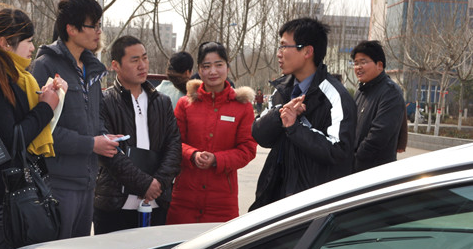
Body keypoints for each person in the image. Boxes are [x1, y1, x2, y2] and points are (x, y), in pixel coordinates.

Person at [0, 2, 65, 249]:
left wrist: (50, 99)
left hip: (23, 191)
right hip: (4, 197)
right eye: (28, 41)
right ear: (5, 43)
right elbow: (12, 139)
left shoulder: (18, 76)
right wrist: (46, 107)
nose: (33, 47)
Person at [31, 0, 119, 239]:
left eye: (100, 25)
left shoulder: (91, 69)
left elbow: (95, 118)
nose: (99, 32)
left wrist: (104, 137)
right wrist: (91, 144)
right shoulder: (46, 66)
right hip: (58, 183)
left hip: (88, 183)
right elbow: (42, 130)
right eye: (93, 26)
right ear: (71, 29)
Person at [250, 17, 356, 211]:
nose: (279, 54)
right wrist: (280, 115)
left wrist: (295, 127)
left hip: (314, 206)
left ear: (307, 51)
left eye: (284, 46)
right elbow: (259, 134)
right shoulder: (282, 90)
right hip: (276, 198)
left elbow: (339, 151)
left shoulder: (335, 96)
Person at [94, 36, 181, 233]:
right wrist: (145, 184)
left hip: (156, 203)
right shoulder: (104, 101)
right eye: (134, 60)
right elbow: (109, 153)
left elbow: (174, 146)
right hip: (114, 205)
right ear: (115, 65)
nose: (142, 65)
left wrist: (158, 183)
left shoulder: (162, 102)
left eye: (145, 58)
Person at [166, 41, 257, 224]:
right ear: (199, 70)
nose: (213, 71)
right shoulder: (185, 104)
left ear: (227, 68)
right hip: (184, 199)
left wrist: (217, 159)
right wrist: (193, 155)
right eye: (206, 66)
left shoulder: (242, 107)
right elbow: (173, 143)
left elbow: (247, 149)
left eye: (218, 65)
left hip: (222, 203)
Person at [351, 40, 406, 172]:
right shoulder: (360, 92)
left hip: (375, 171)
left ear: (379, 65)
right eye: (356, 63)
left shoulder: (390, 92)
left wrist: (355, 160)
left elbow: (379, 136)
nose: (358, 67)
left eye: (363, 62)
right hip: (355, 168)